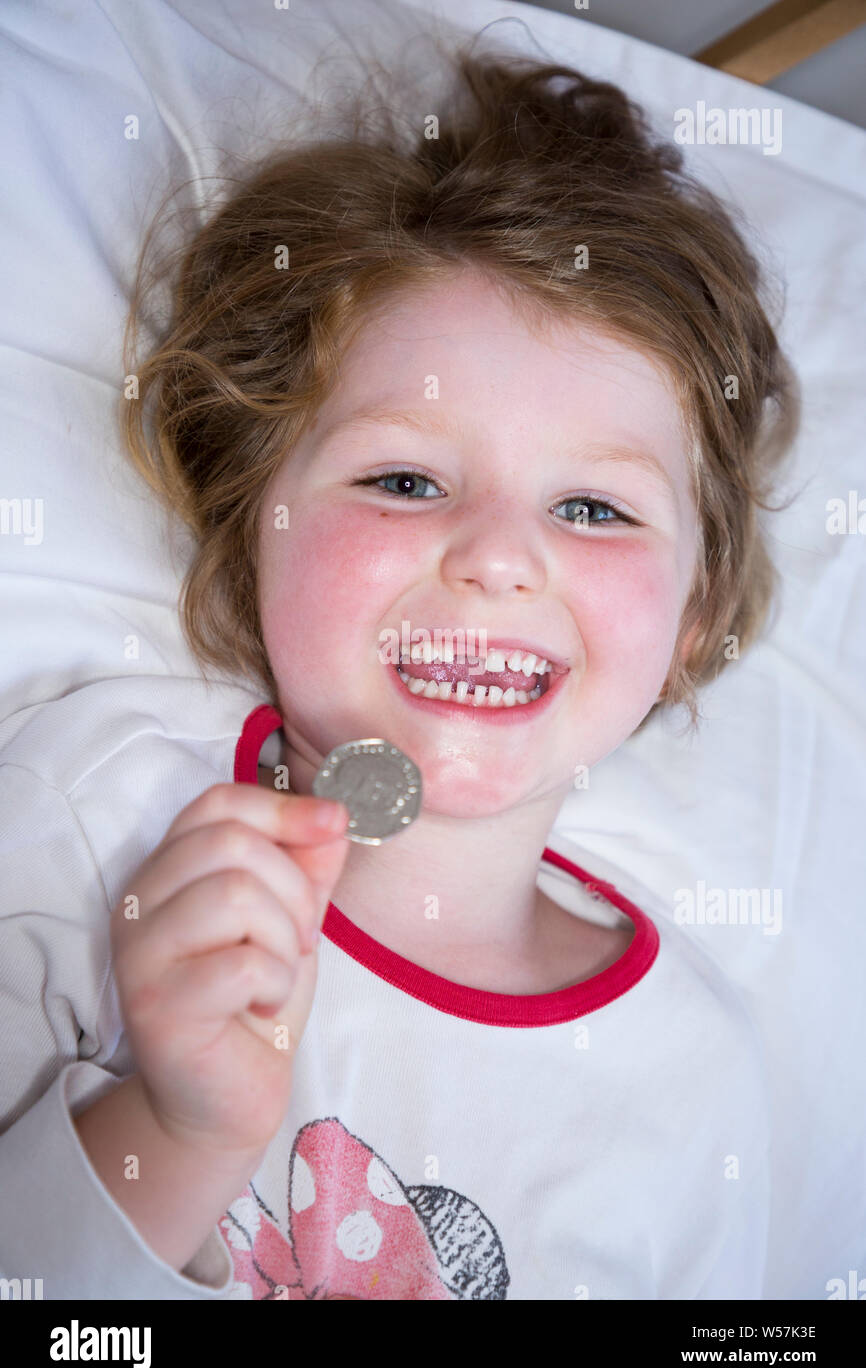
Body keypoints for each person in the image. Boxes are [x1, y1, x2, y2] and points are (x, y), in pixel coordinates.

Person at [0, 41, 799, 1299]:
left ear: (693, 612)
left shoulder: (700, 1089)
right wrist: (173, 1136)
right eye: (405, 480)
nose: (494, 559)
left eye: (592, 508)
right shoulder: (88, 826)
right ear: (249, 517)